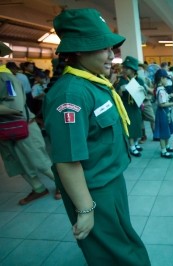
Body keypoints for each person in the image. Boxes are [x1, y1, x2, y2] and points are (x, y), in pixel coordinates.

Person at [42, 8, 150, 265]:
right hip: (93, 190)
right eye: (103, 48)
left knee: (123, 241)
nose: (112, 56)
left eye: (112, 49)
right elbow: (67, 160)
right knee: (116, 254)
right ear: (79, 50)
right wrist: (86, 208)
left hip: (110, 180)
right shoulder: (71, 95)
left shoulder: (94, 83)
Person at [0, 42, 61, 205]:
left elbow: (15, 105)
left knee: (39, 160)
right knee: (17, 162)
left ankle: (62, 185)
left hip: (22, 127)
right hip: (5, 130)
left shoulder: (6, 79)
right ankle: (38, 188)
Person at [114, 56, 145, 157]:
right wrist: (120, 90)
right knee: (130, 126)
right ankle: (132, 146)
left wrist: (142, 90)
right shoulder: (121, 80)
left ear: (132, 70)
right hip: (126, 107)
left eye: (126, 68)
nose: (124, 70)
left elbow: (144, 92)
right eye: (124, 68)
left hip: (136, 107)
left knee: (137, 125)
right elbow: (116, 93)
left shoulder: (139, 80)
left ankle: (135, 144)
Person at [153, 69, 173, 158]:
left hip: (165, 112)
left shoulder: (161, 89)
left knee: (167, 130)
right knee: (163, 133)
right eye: (165, 79)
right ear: (161, 78)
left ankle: (167, 146)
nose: (167, 81)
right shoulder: (160, 90)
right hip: (162, 113)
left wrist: (169, 96)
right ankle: (163, 150)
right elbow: (162, 104)